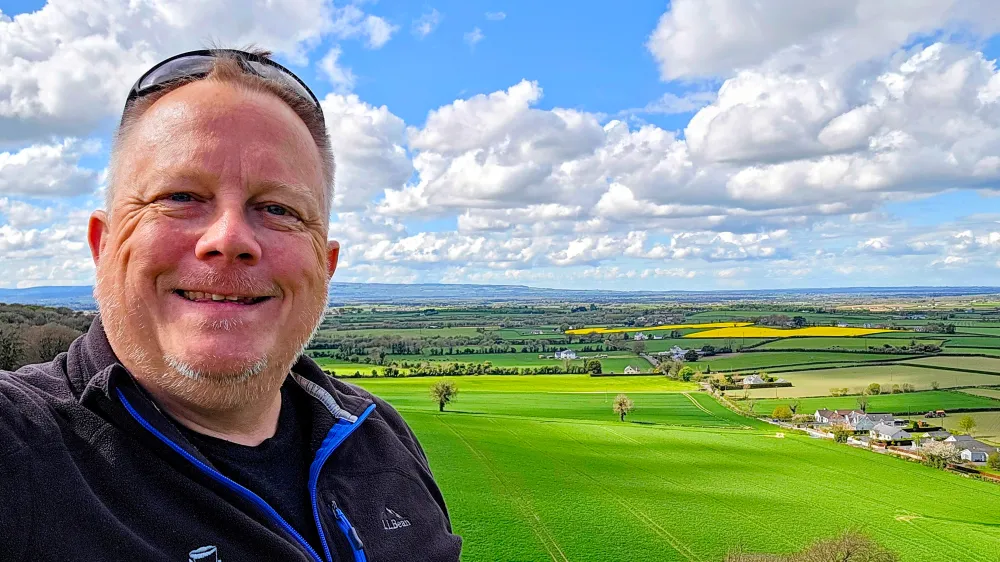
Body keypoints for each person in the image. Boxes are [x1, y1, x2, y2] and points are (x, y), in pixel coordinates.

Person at [0, 48, 462, 561]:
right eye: (180, 196)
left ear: (325, 266)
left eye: (278, 209)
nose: (229, 238)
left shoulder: (374, 432)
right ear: (103, 245)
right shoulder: (20, 445)